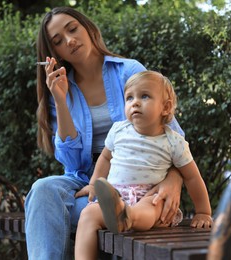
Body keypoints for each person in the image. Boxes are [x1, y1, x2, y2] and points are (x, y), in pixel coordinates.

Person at [25, 7, 185, 259]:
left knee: (81, 214)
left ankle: (115, 211)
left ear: (88, 28)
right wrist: (61, 100)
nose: (69, 40)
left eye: (72, 29)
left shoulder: (128, 71)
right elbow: (72, 164)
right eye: (58, 41)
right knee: (43, 190)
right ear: (53, 54)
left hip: (137, 183)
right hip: (87, 182)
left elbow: (174, 136)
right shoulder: (60, 89)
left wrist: (174, 180)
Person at [74, 71, 213, 260]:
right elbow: (105, 158)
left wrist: (203, 211)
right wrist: (93, 183)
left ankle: (128, 216)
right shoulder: (118, 131)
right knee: (88, 215)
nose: (135, 102)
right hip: (116, 197)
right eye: (129, 98)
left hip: (151, 195)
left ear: (166, 107)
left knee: (150, 207)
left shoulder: (174, 142)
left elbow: (192, 177)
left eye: (144, 96)